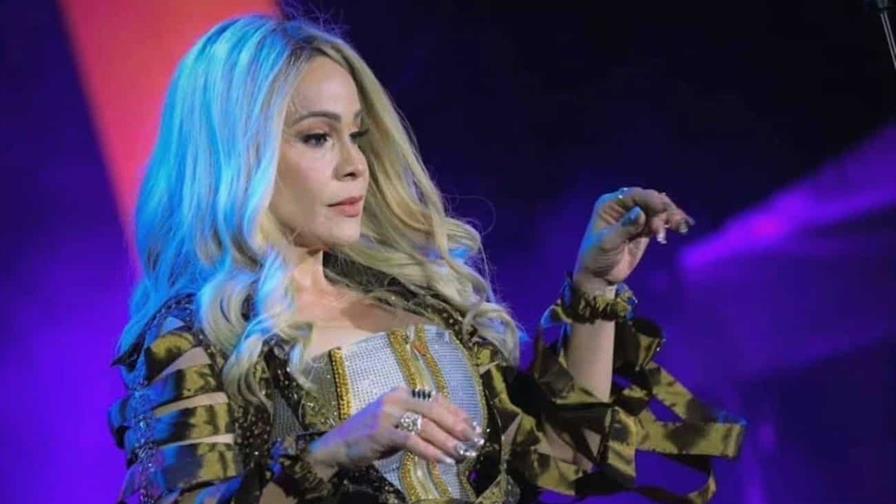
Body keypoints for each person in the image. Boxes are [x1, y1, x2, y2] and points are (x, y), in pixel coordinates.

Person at [108, 14, 744, 504]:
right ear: (237, 158)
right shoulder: (196, 338)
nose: (355, 164)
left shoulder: (416, 300)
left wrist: (594, 287)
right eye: (317, 137)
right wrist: (328, 455)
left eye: (356, 134)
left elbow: (563, 455)